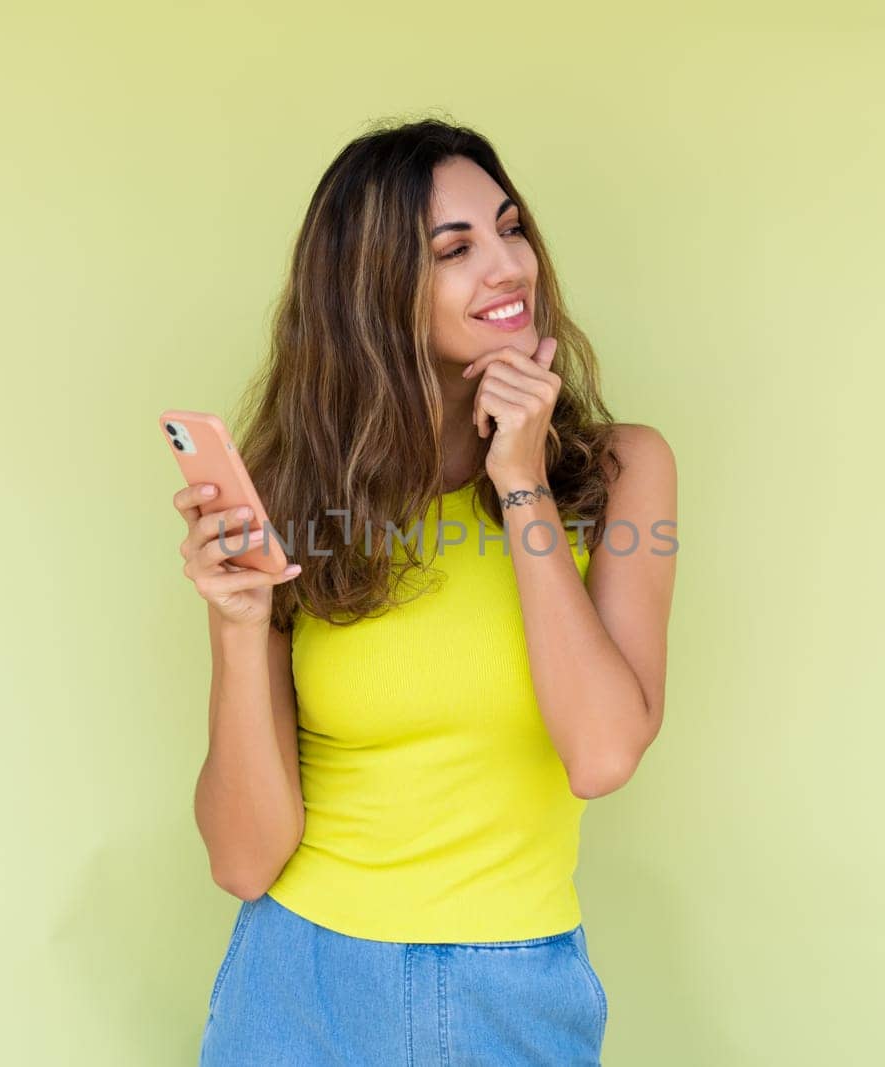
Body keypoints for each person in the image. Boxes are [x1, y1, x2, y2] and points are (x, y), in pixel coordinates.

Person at [173, 116, 677, 1065]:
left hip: (511, 991)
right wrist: (239, 628)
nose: (510, 265)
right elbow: (243, 858)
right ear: (374, 293)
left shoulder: (619, 473)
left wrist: (520, 480)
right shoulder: (298, 505)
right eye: (457, 248)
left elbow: (602, 753)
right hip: (296, 987)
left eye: (511, 228)